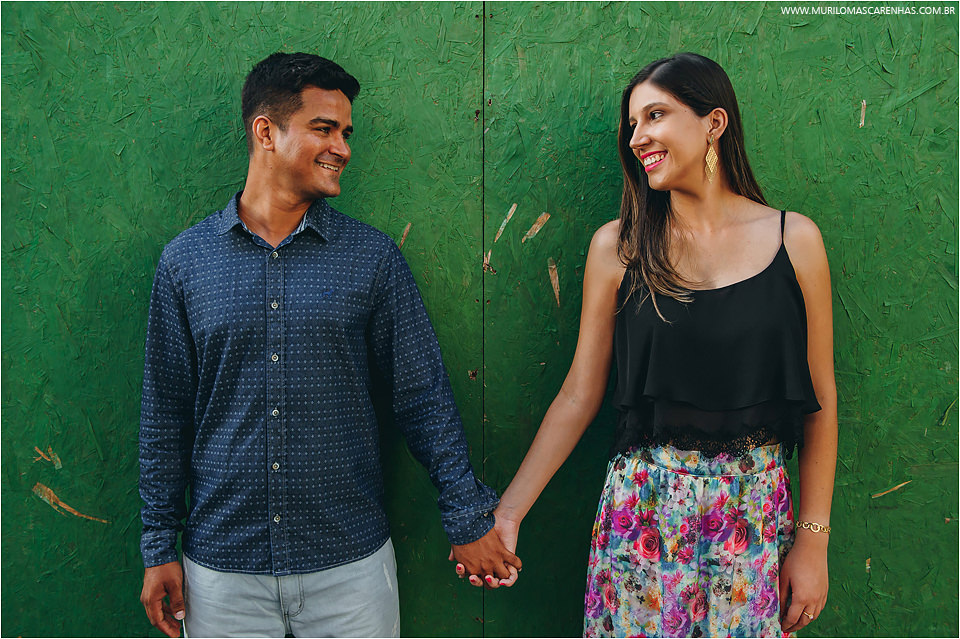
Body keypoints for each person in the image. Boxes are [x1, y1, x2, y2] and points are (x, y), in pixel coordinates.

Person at [138, 52, 520, 639]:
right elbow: (165, 415)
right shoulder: (186, 263)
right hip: (221, 575)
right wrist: (158, 545)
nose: (342, 147)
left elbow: (423, 397)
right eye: (324, 128)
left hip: (350, 573)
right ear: (266, 131)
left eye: (346, 132)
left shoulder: (372, 260)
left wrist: (467, 518)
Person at [458, 53, 837, 637]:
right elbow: (579, 394)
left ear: (713, 122)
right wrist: (508, 513)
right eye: (631, 124)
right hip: (644, 514)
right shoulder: (619, 247)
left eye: (655, 115)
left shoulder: (796, 240)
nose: (637, 138)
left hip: (754, 517)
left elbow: (821, 403)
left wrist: (813, 544)